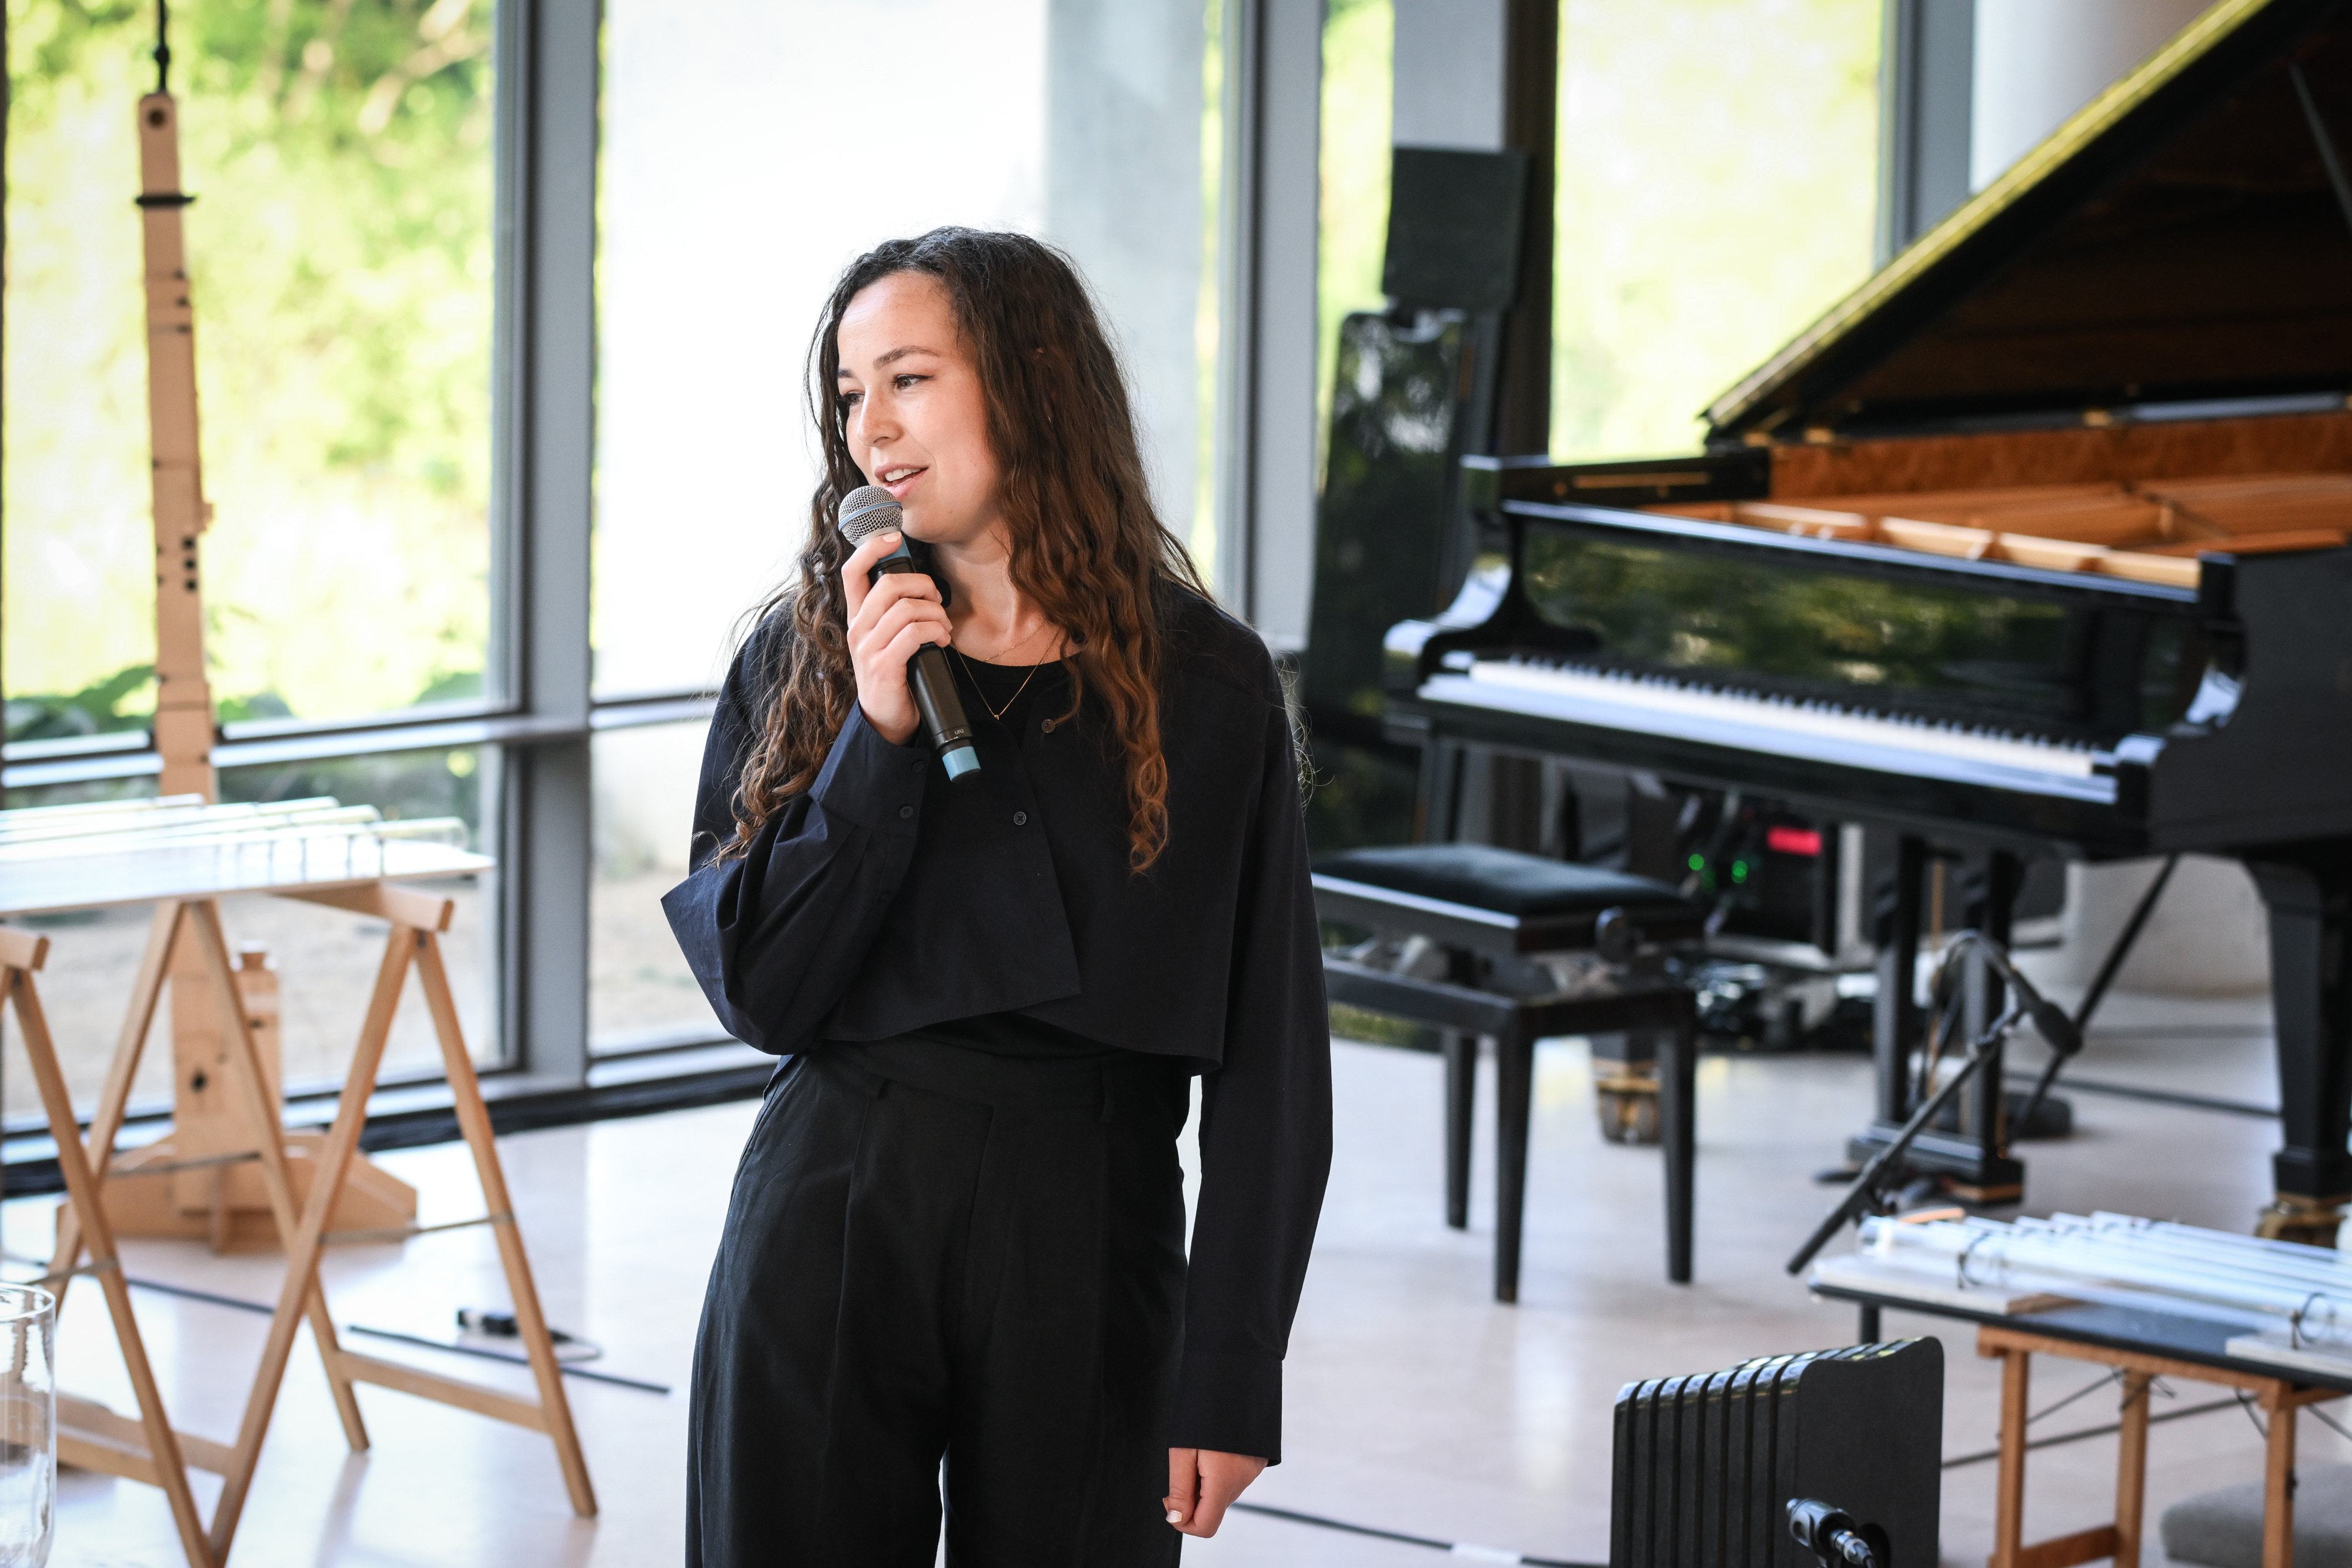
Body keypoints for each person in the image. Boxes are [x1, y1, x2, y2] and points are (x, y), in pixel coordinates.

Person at [664, 226, 1332, 1567]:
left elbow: (1273, 1061)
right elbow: (763, 992)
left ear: (1031, 378)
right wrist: (875, 739)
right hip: (839, 1194)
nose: (870, 430)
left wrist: (1230, 1365)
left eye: (907, 379)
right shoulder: (806, 657)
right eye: (849, 393)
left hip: (1091, 1213)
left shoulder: (1209, 684)